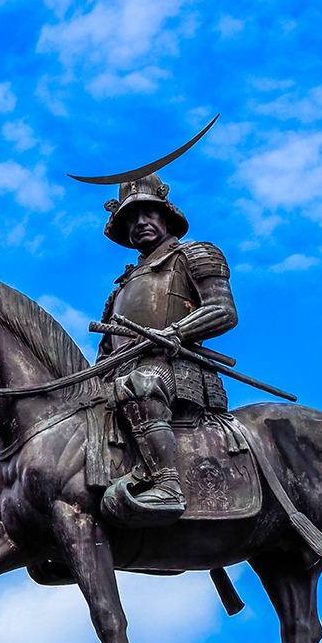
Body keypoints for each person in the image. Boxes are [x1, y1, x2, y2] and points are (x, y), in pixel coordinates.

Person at [97, 172, 238, 522]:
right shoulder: (119, 289)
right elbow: (104, 353)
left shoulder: (194, 254)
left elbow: (222, 310)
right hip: (120, 376)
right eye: (130, 218)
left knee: (141, 384)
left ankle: (167, 484)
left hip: (174, 368)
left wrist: (175, 332)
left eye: (148, 213)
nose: (140, 223)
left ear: (166, 214)